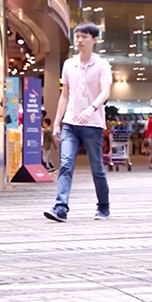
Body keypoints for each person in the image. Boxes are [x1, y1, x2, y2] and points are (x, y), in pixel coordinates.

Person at [44, 22, 113, 222]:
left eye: (84, 36)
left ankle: (103, 207)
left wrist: (92, 108)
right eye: (77, 36)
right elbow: (64, 95)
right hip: (71, 124)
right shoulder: (68, 64)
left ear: (94, 39)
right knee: (65, 165)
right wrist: (57, 123)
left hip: (93, 125)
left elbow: (105, 92)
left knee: (96, 168)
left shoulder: (102, 65)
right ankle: (60, 208)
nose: (80, 40)